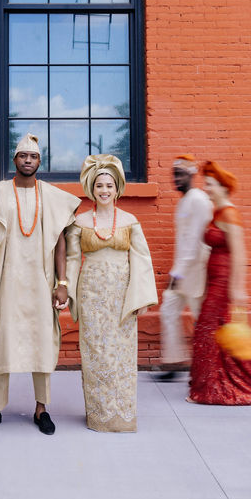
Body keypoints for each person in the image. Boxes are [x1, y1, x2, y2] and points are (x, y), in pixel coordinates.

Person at [0, 134, 80, 435]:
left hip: (42, 283)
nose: (28, 160)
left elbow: (61, 242)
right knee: (1, 342)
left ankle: (42, 409)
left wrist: (63, 283)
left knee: (42, 342)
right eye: (23, 155)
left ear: (40, 162)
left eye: (34, 156)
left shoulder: (52, 196)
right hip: (5, 282)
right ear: (14, 160)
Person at [65, 155, 157, 432]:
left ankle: (123, 416)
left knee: (122, 354)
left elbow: (142, 260)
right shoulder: (80, 222)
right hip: (92, 294)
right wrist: (65, 294)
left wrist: (141, 298)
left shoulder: (130, 221)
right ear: (91, 189)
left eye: (109, 186)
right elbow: (71, 259)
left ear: (117, 189)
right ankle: (99, 416)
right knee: (96, 353)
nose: (104, 191)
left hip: (122, 296)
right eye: (99, 186)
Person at [188, 161, 251, 405]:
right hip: (214, 281)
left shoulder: (230, 213)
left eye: (209, 185)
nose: (206, 189)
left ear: (221, 186)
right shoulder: (217, 212)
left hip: (223, 283)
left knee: (207, 331)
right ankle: (214, 381)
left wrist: (238, 290)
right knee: (212, 332)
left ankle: (212, 387)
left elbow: (240, 254)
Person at [156, 155, 213, 381]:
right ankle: (172, 362)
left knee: (203, 320)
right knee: (168, 311)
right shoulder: (185, 200)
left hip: (196, 270)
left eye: (180, 175)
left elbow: (195, 240)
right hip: (182, 270)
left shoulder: (198, 199)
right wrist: (176, 270)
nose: (175, 179)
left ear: (191, 175)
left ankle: (209, 366)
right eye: (174, 175)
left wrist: (178, 272)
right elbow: (183, 240)